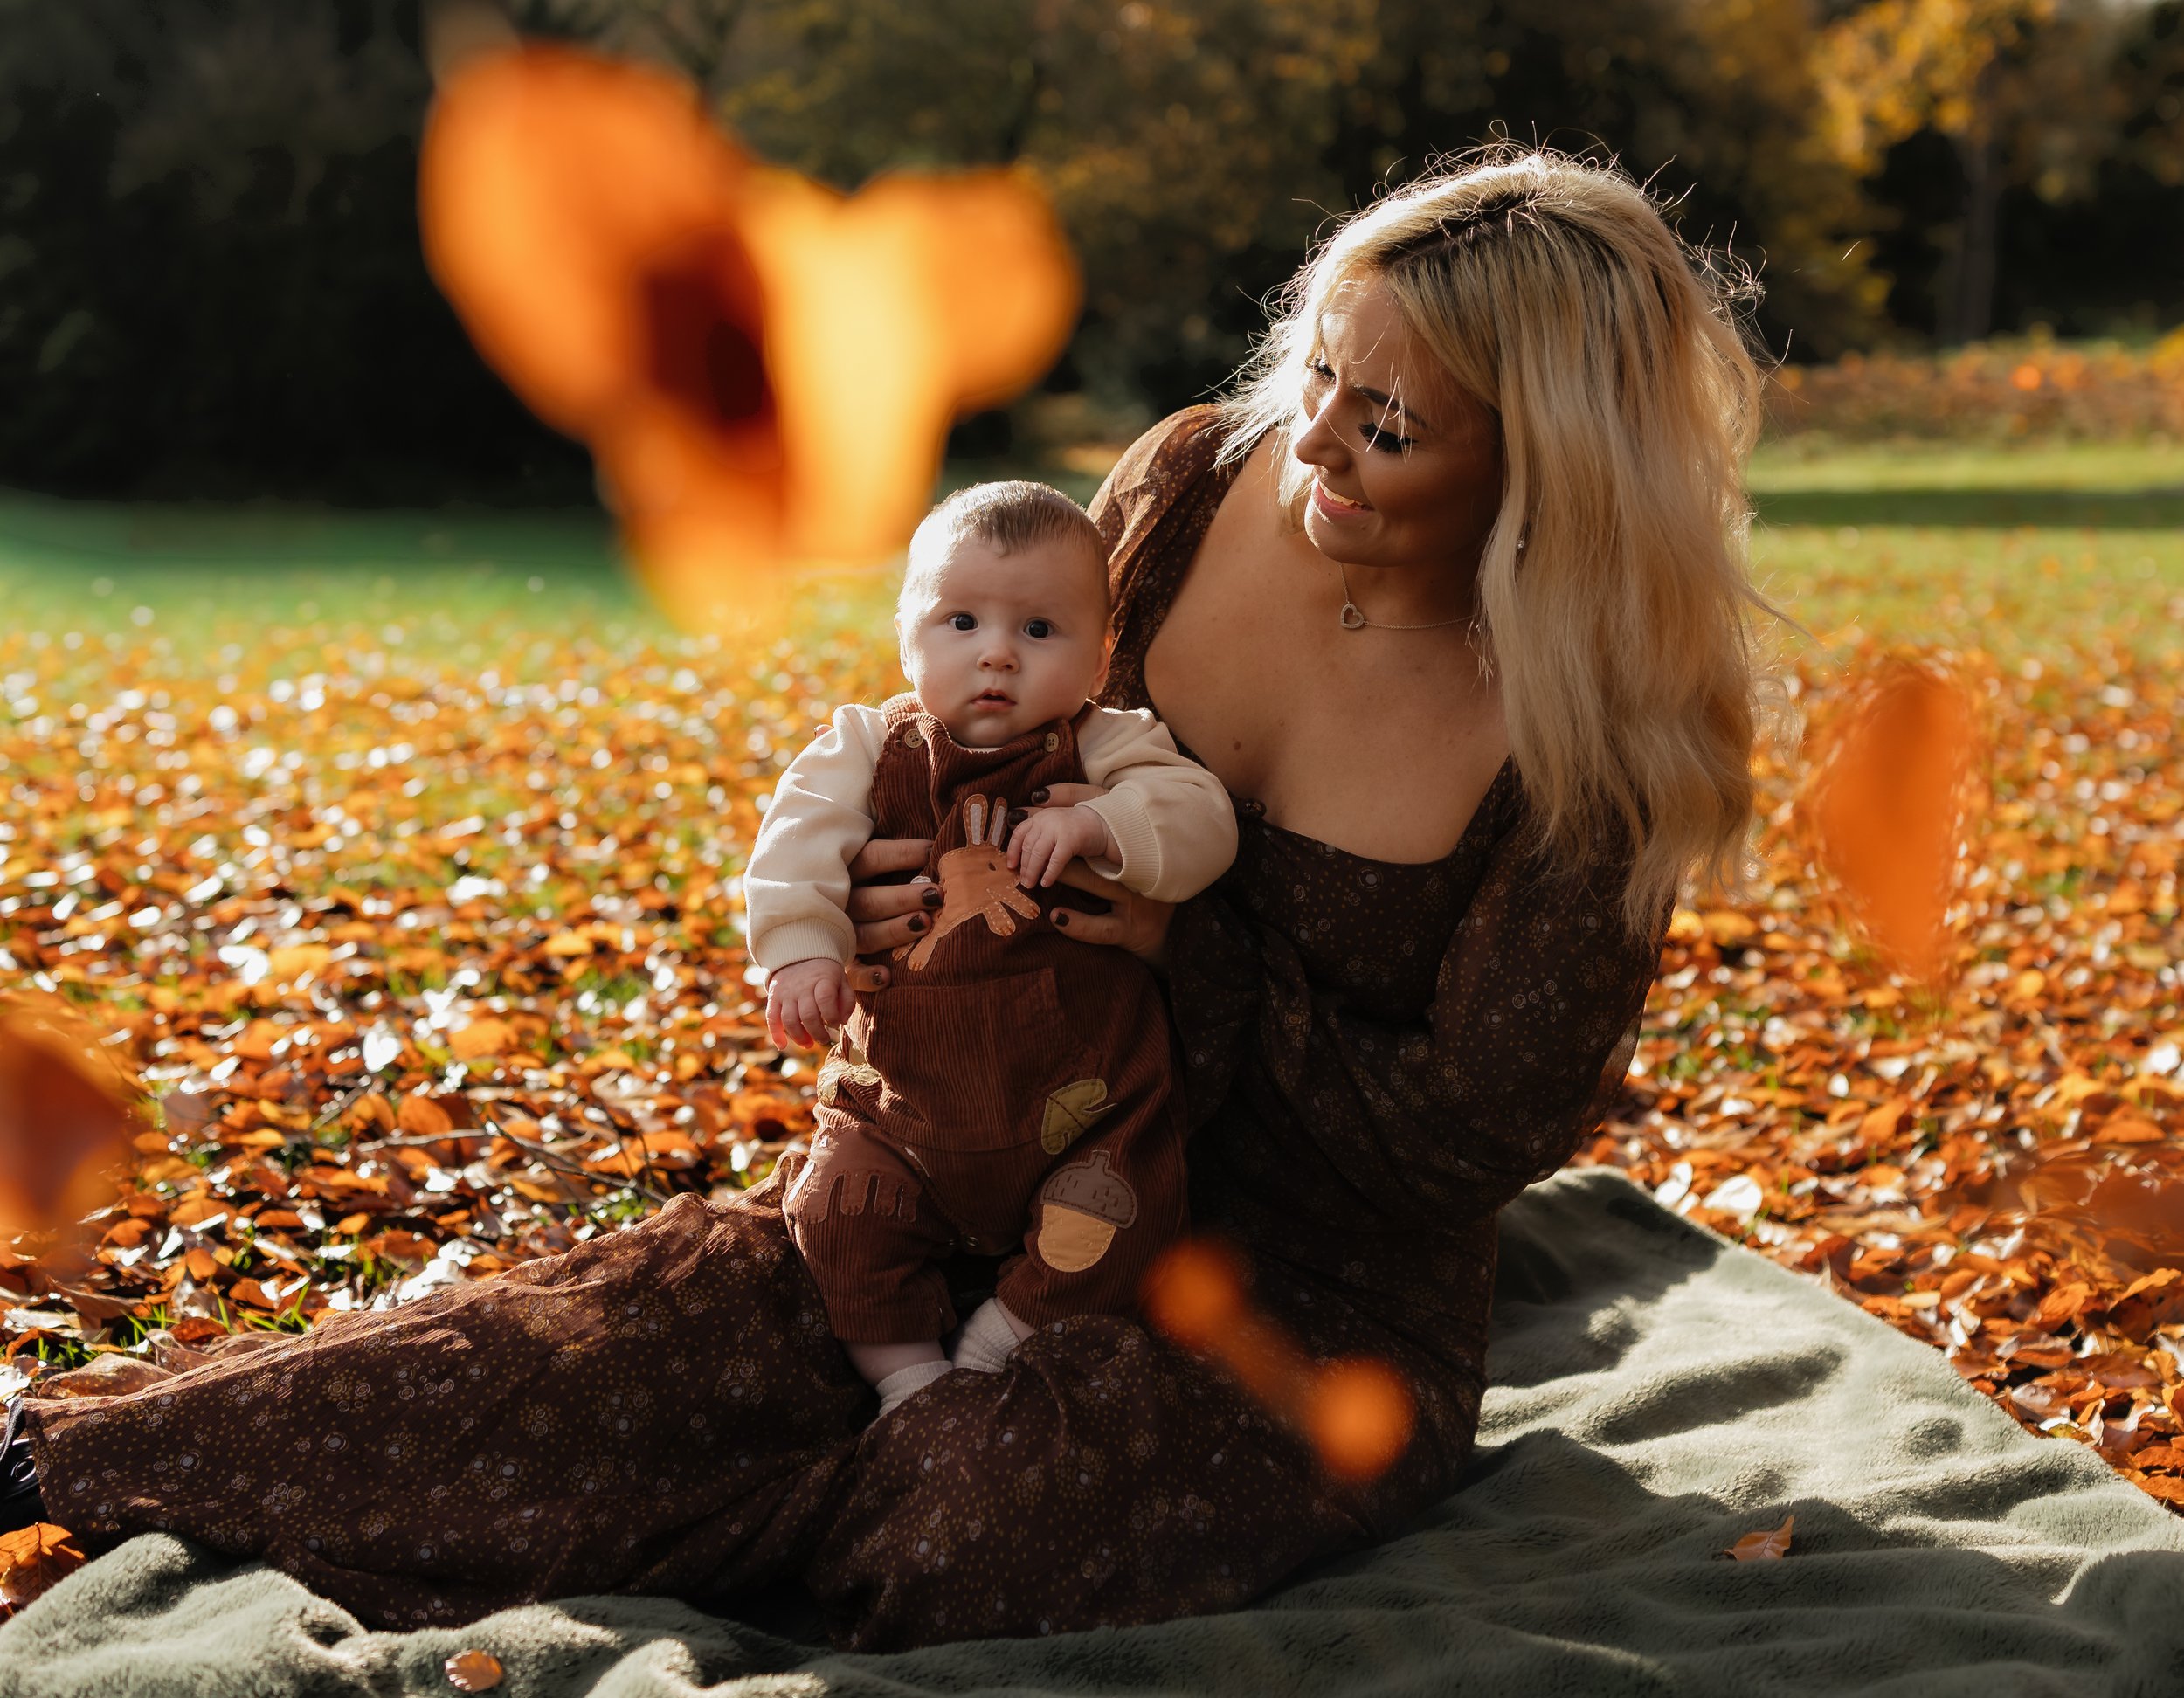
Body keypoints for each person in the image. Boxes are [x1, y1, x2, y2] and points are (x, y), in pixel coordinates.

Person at [9, 146, 1771, 1648]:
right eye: (1315, 369)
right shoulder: (1181, 490)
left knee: (993, 1502)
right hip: (973, 1167)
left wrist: (1176, 949)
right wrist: (882, 898)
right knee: (640, 1327)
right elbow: (976, 731)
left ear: (1543, 466)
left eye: (1382, 426)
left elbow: (1468, 1136)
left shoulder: (1596, 742)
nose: (1307, 439)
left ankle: (653, 1550)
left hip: (1304, 1306)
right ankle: (53, 1451)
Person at [747, 480, 1234, 1418]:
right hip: (904, 1113)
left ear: (1099, 655)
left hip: (1082, 1111)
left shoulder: (1107, 747)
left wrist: (1108, 824)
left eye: (1040, 631)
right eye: (961, 622)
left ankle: (1003, 1334)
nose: (998, 654)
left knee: (1134, 1209)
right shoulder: (867, 748)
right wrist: (804, 951)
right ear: (907, 639)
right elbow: (794, 845)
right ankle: (905, 1374)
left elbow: (1203, 822)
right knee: (837, 1214)